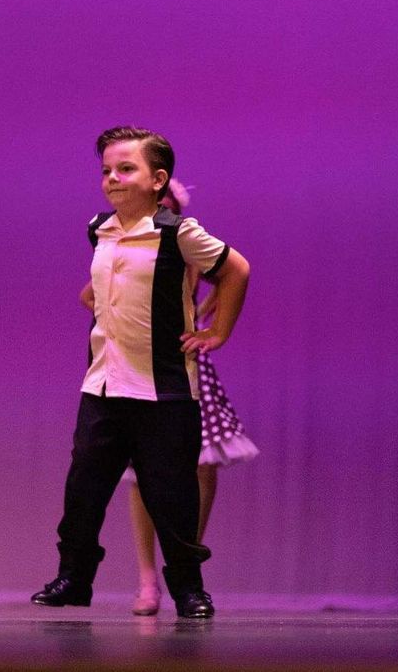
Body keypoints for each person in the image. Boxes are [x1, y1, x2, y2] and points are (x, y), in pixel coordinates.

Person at [32, 126, 249, 618]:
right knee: (84, 488)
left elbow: (236, 269)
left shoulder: (178, 233)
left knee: (172, 496)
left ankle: (189, 590)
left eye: (125, 169)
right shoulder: (99, 229)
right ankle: (74, 577)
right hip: (104, 383)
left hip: (164, 390)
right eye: (106, 170)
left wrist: (219, 333)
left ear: (157, 179)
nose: (112, 178)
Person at [82, 179, 259, 616]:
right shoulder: (121, 244)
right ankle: (147, 579)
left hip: (182, 368)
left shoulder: (186, 243)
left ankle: (182, 565)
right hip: (136, 368)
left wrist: (203, 321)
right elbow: (90, 296)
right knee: (142, 472)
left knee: (201, 464)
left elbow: (230, 274)